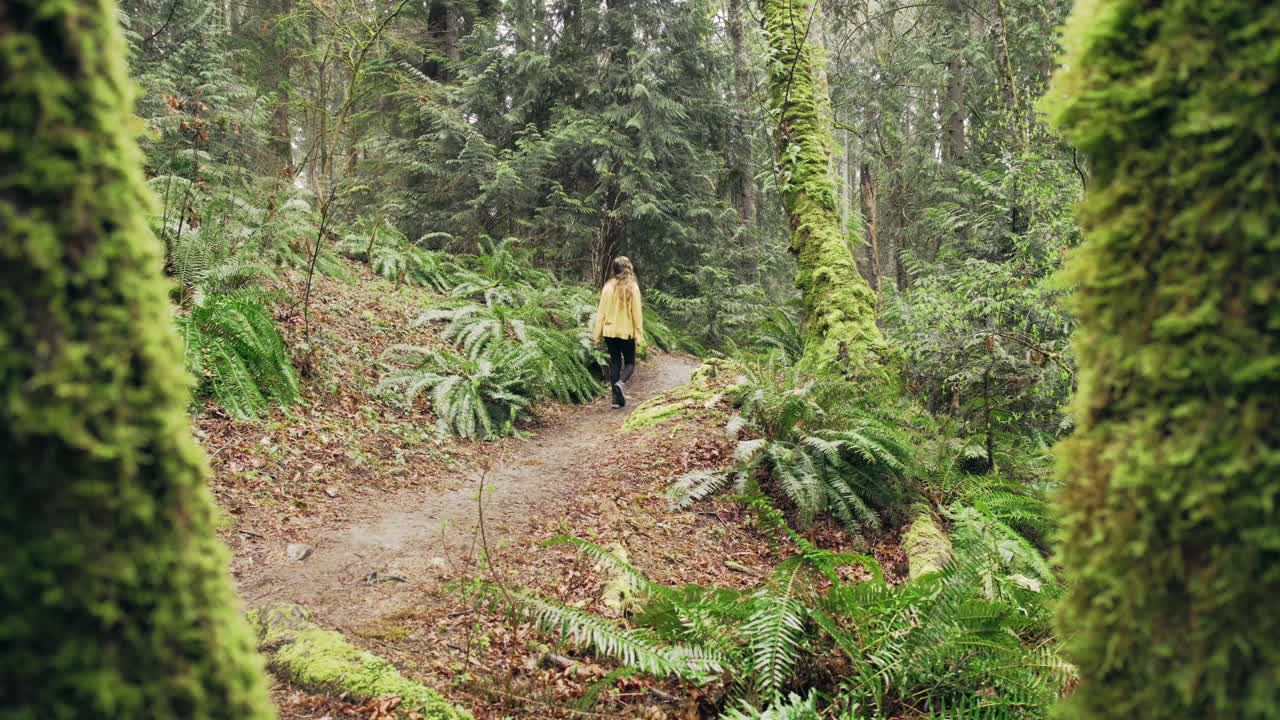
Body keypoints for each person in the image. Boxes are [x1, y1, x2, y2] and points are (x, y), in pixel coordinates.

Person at [591, 256, 644, 408]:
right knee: (629, 363)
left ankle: (615, 400)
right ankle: (620, 383)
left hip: (609, 332)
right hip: (626, 331)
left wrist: (598, 335)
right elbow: (637, 314)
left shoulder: (607, 287)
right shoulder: (632, 287)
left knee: (615, 362)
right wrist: (639, 336)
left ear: (614, 270)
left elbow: (601, 313)